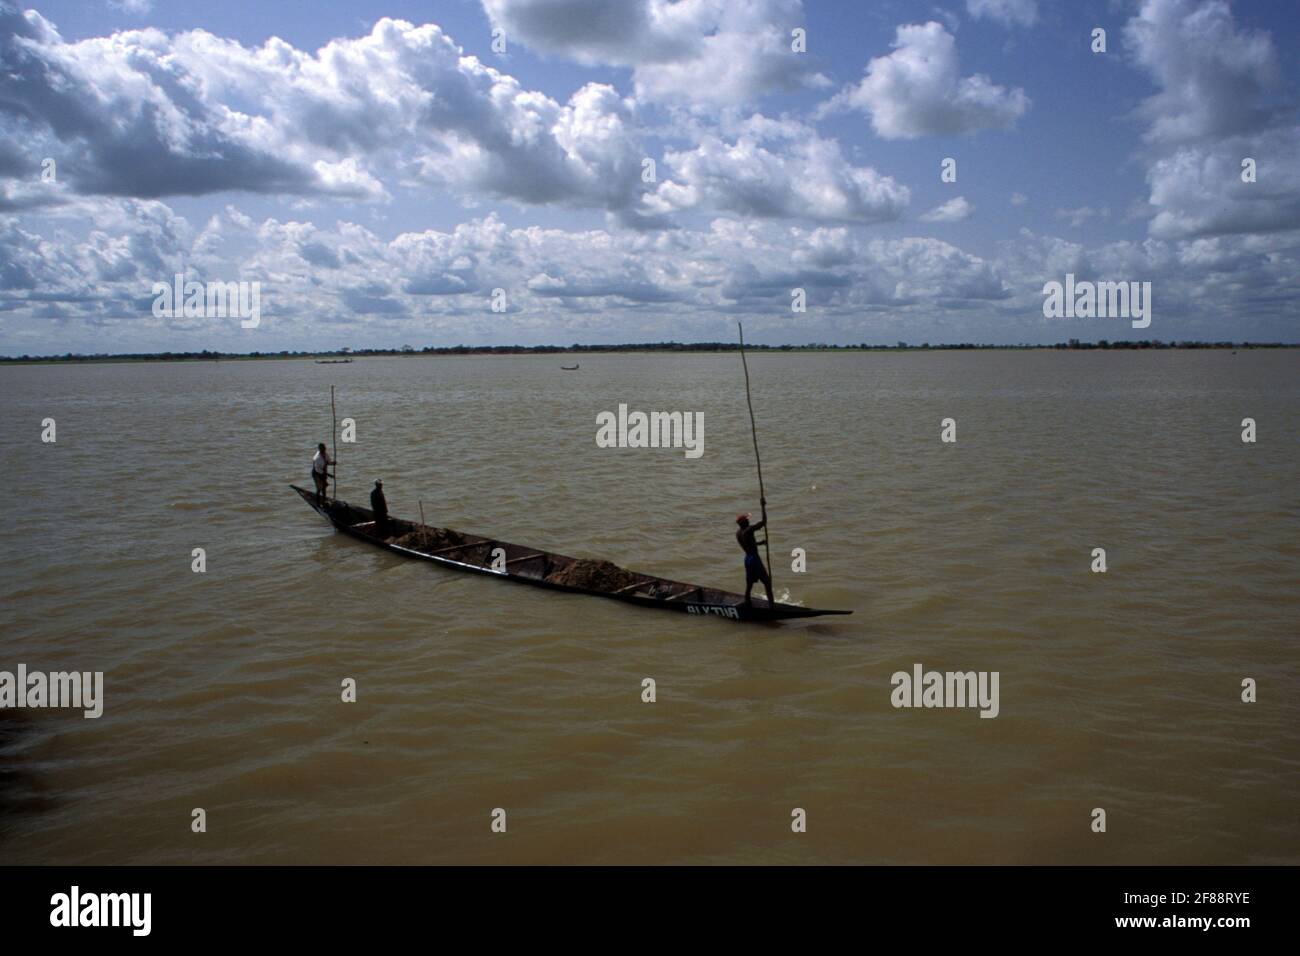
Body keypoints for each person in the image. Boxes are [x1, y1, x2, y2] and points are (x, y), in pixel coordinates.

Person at [735, 496, 774, 607]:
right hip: (754, 559)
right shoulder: (749, 530)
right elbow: (764, 522)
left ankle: (747, 601)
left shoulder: (738, 534)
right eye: (747, 519)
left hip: (747, 559)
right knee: (767, 582)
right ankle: (772, 606)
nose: (748, 520)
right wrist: (763, 506)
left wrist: (760, 543)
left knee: (749, 583)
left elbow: (748, 546)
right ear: (744, 523)